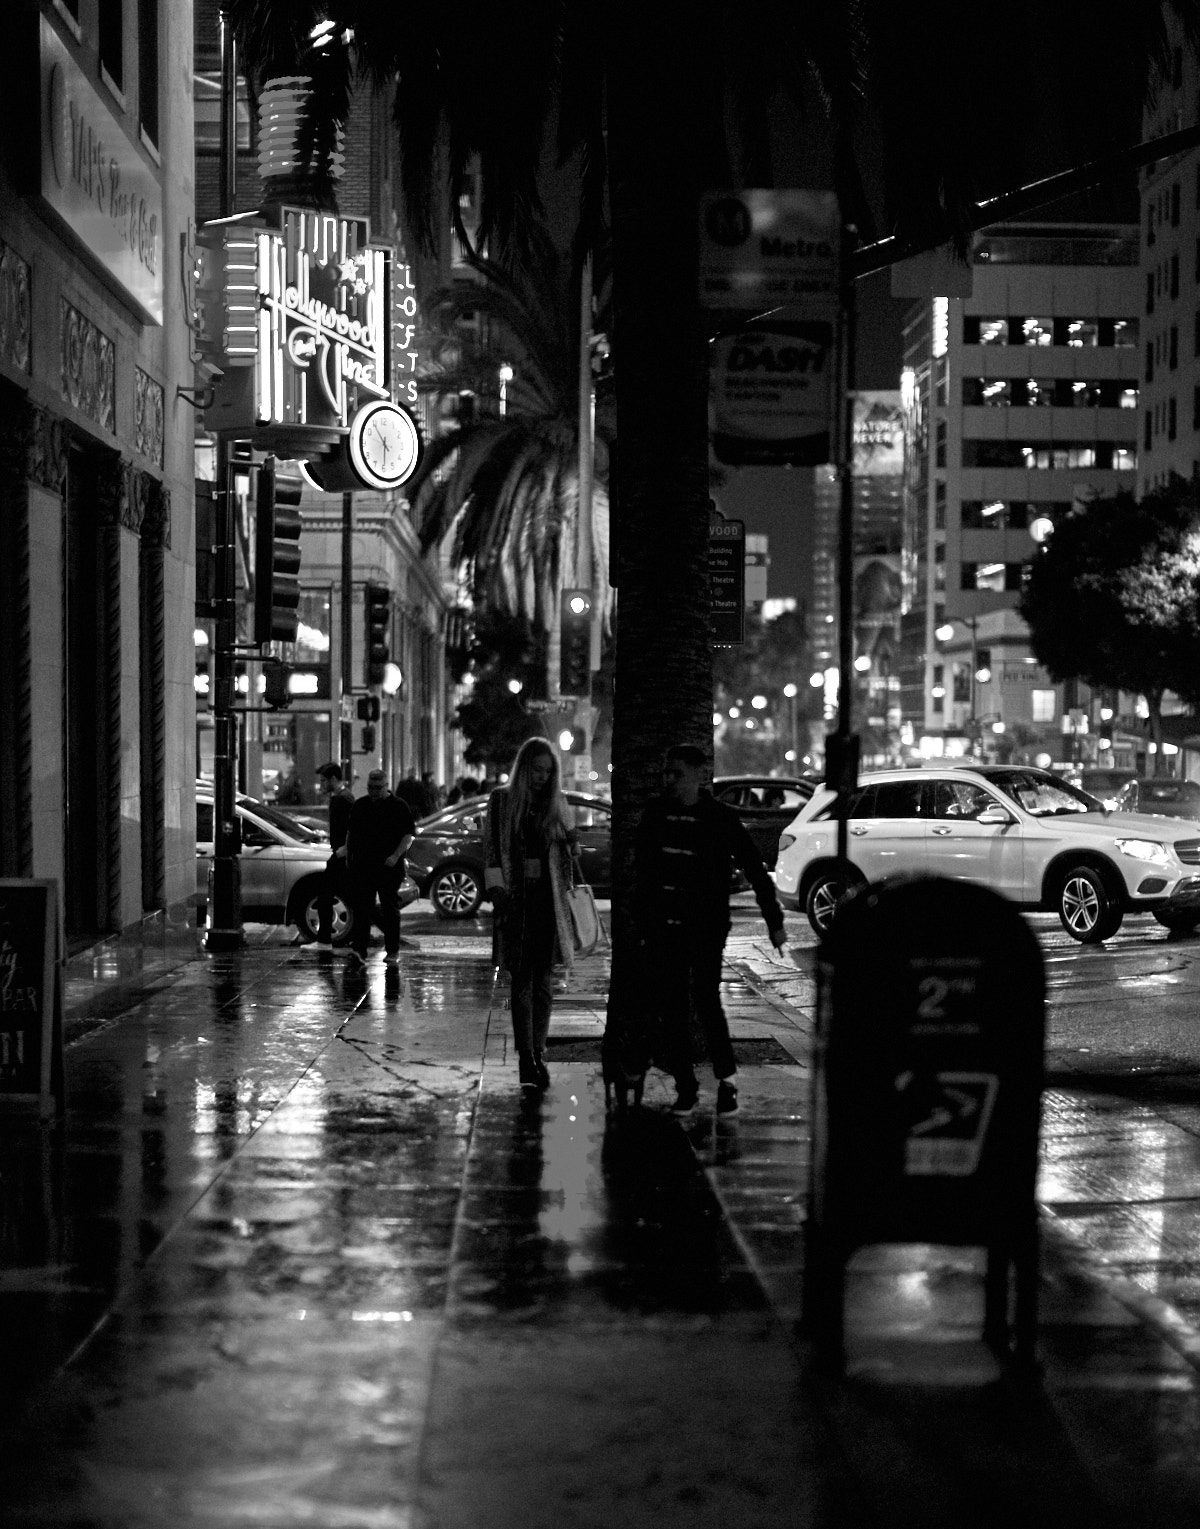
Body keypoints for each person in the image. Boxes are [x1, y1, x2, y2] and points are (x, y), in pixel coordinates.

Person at [633, 743, 788, 1116]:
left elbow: (754, 867)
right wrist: (644, 922)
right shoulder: (657, 814)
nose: (669, 780)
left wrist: (775, 923)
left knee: (706, 1002)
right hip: (664, 926)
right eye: (666, 773)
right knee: (672, 1007)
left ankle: (727, 1080)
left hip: (704, 927)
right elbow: (642, 873)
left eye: (677, 774)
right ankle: (685, 1088)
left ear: (698, 776)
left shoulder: (718, 817)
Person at [483, 738, 580, 1091]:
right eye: (536, 770)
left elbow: (569, 853)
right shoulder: (502, 800)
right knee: (522, 982)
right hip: (516, 900)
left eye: (547, 771)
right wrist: (497, 893)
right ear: (524, 769)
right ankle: (526, 1056)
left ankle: (539, 1050)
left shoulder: (556, 803)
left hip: (547, 902)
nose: (541, 777)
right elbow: (492, 850)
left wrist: (572, 840)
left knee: (544, 985)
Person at [345, 769, 416, 967]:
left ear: (386, 787)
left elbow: (408, 835)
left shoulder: (398, 806)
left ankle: (392, 949)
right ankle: (359, 949)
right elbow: (351, 832)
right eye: (370, 787)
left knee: (389, 907)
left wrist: (395, 856)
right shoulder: (361, 805)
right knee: (363, 908)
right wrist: (349, 856)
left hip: (388, 866)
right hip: (364, 864)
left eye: (377, 788)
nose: (373, 791)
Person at [314, 762, 355, 949]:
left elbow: (354, 827)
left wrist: (346, 848)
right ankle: (324, 940)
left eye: (323, 781)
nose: (320, 785)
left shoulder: (344, 799)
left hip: (341, 856)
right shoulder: (339, 798)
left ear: (333, 779)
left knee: (326, 893)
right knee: (350, 896)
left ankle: (324, 941)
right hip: (340, 854)